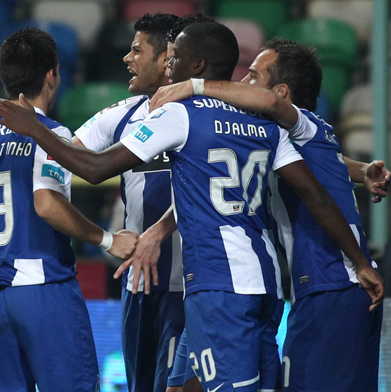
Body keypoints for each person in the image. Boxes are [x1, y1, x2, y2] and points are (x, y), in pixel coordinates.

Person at [0, 22, 384, 392]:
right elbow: (317, 188)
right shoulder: (264, 124)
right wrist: (361, 255)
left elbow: (94, 168)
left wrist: (35, 129)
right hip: (265, 283)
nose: (168, 65)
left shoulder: (178, 113)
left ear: (196, 66)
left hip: (215, 283)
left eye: (175, 59)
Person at [151, 38, 387, 392]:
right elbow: (332, 164)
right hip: (338, 285)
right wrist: (363, 169)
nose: (243, 83)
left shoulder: (295, 122)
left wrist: (195, 86)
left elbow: (273, 106)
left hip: (331, 282)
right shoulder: (305, 137)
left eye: (253, 76)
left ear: (281, 91)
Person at [0, 27, 137, 392]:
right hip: (44, 290)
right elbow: (46, 205)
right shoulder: (50, 134)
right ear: (51, 75)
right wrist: (107, 240)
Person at [75, 12, 213, 392]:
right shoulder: (122, 116)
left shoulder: (205, 117)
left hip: (189, 285)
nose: (127, 58)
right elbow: (65, 157)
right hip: (137, 286)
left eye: (137, 50)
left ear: (167, 58)